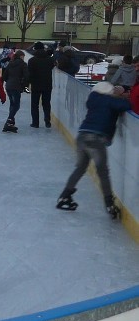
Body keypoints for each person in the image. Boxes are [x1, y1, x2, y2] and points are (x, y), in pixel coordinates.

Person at [56, 81, 132, 219]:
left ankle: (64, 196)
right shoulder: (109, 101)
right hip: (95, 139)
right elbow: (127, 106)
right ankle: (109, 204)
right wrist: (122, 95)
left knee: (80, 168)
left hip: (81, 136)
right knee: (103, 172)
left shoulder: (93, 99)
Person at [28, 41, 56, 128]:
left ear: (35, 49)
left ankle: (35, 123)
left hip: (36, 85)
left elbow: (30, 74)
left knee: (34, 104)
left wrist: (27, 84)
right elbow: (53, 66)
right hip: (47, 85)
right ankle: (47, 121)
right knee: (46, 103)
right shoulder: (50, 60)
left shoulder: (32, 60)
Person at [1, 50, 28, 133]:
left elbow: (4, 76)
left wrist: (8, 81)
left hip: (9, 86)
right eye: (23, 56)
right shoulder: (23, 64)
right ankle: (9, 121)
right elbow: (26, 76)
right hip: (16, 87)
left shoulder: (10, 63)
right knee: (16, 105)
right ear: (20, 56)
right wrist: (24, 86)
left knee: (12, 104)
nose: (24, 58)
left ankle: (11, 124)